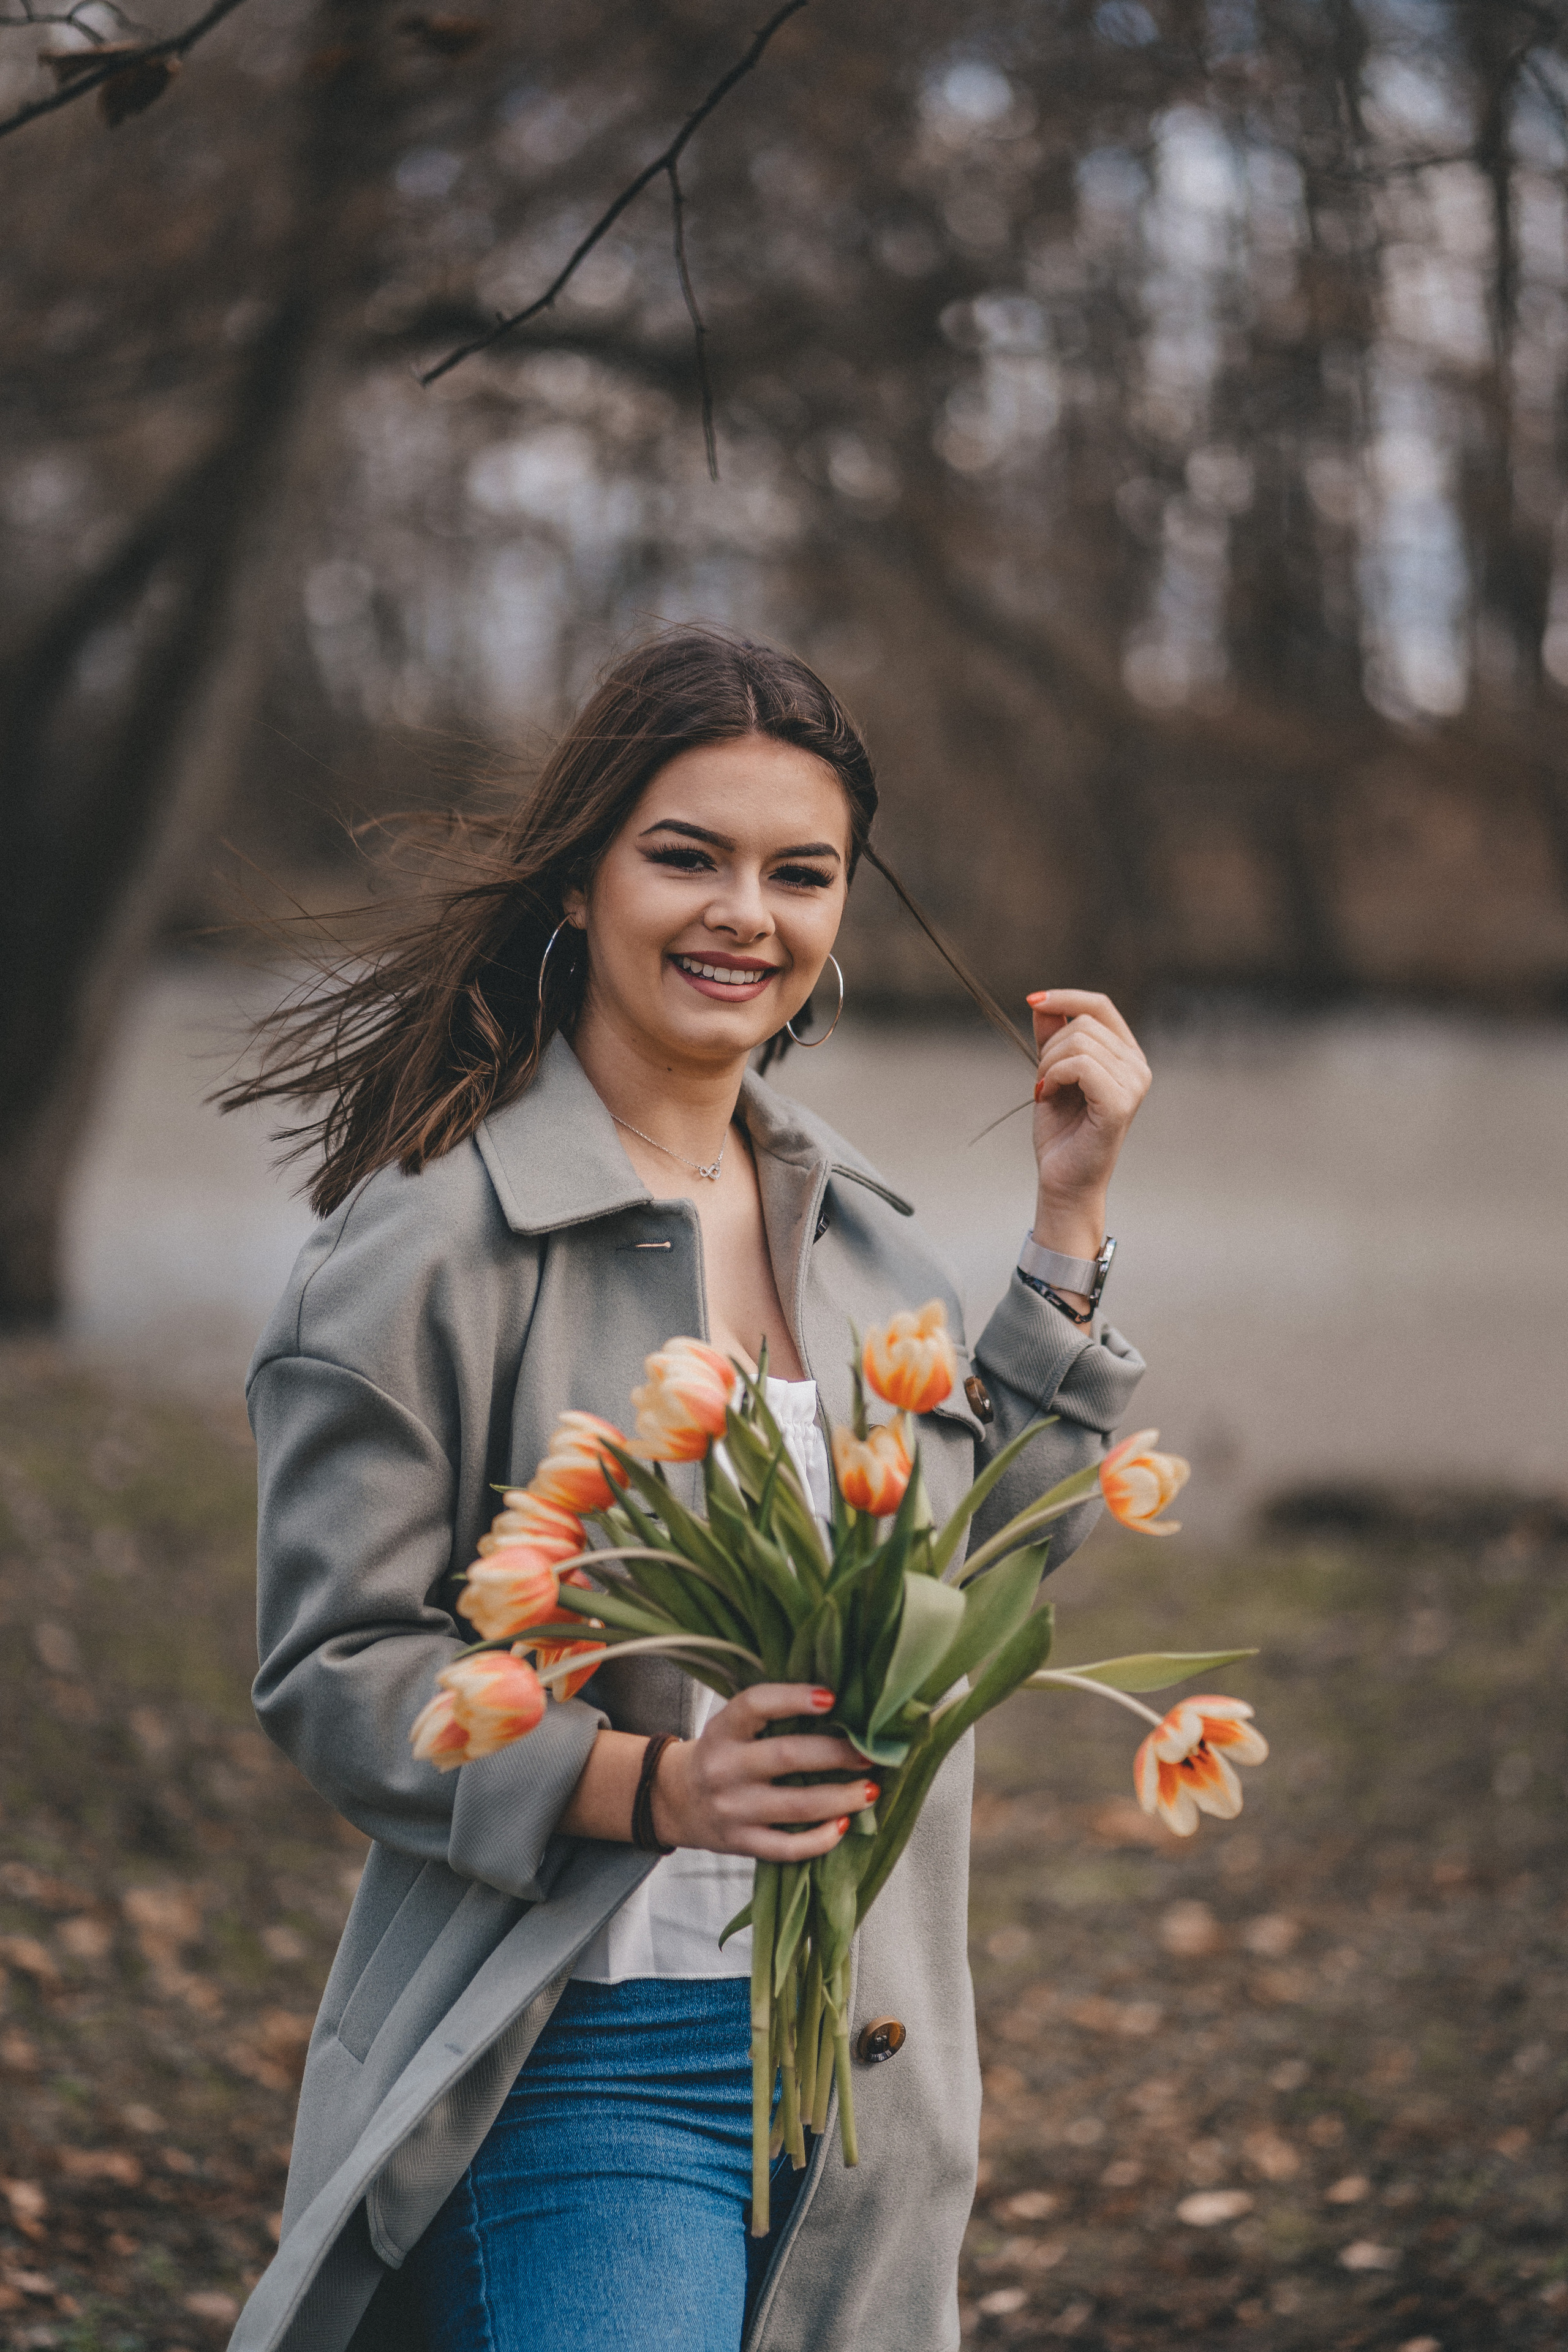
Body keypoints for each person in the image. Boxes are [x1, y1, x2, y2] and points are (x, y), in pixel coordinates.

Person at [222, 628, 1150, 2352]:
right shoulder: (429, 1241)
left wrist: (1071, 1225)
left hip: (866, 2070)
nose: (748, 913)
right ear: (582, 876)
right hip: (576, 2061)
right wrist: (655, 1783)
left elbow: (982, 1571)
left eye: (801, 873)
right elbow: (335, 1670)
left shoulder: (854, 1227)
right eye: (687, 855)